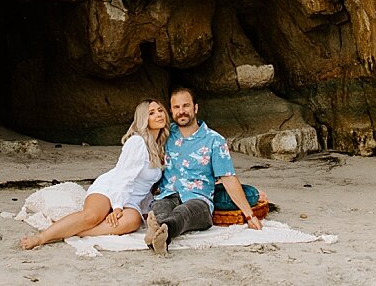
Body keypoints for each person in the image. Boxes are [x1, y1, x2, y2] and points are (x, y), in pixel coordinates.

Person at [20, 99, 168, 250]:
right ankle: (41, 237)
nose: (158, 114)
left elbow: (146, 186)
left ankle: (78, 232)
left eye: (160, 110)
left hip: (132, 200)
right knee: (92, 216)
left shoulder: (160, 147)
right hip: (111, 188)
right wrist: (117, 206)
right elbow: (123, 177)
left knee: (133, 221)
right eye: (152, 113)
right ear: (144, 119)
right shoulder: (137, 142)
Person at [144, 86, 261, 255]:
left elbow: (228, 178)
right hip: (167, 194)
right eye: (176, 107)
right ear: (171, 110)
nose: (181, 111)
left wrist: (249, 215)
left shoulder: (214, 140)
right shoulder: (164, 135)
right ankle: (158, 233)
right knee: (159, 210)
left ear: (195, 108)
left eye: (186, 106)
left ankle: (164, 232)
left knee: (184, 213)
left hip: (199, 201)